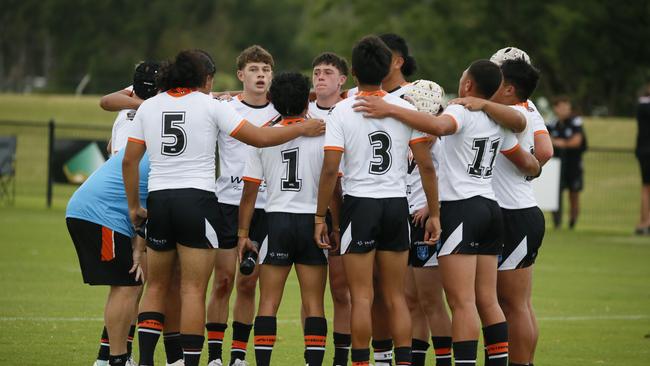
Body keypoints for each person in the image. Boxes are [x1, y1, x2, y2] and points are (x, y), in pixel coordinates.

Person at [122, 49, 324, 366]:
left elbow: (129, 160)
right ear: (205, 78)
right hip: (199, 201)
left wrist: (135, 206)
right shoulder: (212, 105)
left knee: (157, 285)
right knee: (193, 289)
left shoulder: (150, 106)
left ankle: (147, 360)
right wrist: (301, 128)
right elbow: (258, 137)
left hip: (160, 200)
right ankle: (194, 361)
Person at [353, 59, 541, 366]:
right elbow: (526, 148)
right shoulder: (496, 118)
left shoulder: (461, 109)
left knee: (462, 302)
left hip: (462, 209)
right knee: (487, 300)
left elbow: (441, 126)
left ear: (468, 85)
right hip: (491, 209)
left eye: (462, 76)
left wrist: (392, 109)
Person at [314, 35, 441, 366]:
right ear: (387, 67)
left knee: (362, 296)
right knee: (396, 296)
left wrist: (319, 218)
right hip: (396, 205)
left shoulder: (342, 110)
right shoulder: (406, 108)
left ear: (352, 71)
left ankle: (361, 362)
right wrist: (437, 213)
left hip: (361, 204)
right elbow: (426, 165)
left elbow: (330, 171)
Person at [237, 71, 331, 366]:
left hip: (276, 222)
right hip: (311, 222)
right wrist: (334, 224)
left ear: (272, 100)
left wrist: (242, 234)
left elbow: (249, 194)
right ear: (308, 99)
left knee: (268, 302)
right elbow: (334, 183)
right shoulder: (322, 131)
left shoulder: (262, 134)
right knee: (314, 303)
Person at [70, 62, 160, 366]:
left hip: (117, 208)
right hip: (105, 210)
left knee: (132, 283)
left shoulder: (147, 113)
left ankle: (116, 355)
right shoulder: (152, 119)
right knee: (128, 285)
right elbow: (107, 102)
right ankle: (111, 358)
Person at [206, 45, 280, 366]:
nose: (260, 75)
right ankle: (214, 357)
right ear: (241, 74)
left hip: (266, 207)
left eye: (265, 69)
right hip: (227, 204)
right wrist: (228, 94)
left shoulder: (282, 109)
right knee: (222, 282)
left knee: (248, 283)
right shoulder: (224, 108)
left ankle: (238, 356)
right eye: (253, 69)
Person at [490, 58, 553, 366]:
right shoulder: (522, 109)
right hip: (517, 212)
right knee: (518, 304)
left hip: (515, 214)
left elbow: (543, 154)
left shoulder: (511, 113)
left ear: (510, 88)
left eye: (496, 80)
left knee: (513, 304)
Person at [66, 150, 148, 366]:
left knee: (131, 284)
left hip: (94, 213)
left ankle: (110, 359)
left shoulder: (150, 143)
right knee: (126, 286)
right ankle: (117, 359)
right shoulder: (162, 153)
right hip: (101, 215)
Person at [401, 80, 453, 366]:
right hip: (405, 218)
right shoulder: (410, 132)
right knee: (411, 298)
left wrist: (432, 206)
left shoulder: (441, 138)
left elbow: (450, 178)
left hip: (426, 221)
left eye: (411, 103)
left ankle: (445, 360)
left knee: (431, 300)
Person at [308, 51, 352, 366]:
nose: (320, 77)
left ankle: (341, 357)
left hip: (343, 205)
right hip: (305, 208)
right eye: (317, 72)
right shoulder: (302, 110)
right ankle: (315, 357)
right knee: (311, 291)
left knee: (340, 288)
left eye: (327, 72)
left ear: (342, 80)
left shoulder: (352, 109)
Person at [547, 96, 586, 229]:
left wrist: (559, 142)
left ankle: (572, 222)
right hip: (556, 165)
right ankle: (557, 222)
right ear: (556, 108)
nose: (564, 110)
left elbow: (577, 141)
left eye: (567, 107)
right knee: (554, 193)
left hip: (573, 164)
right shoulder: (551, 124)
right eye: (561, 107)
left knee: (574, 193)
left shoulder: (575, 123)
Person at [635, 84, 650, 235]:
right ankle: (645, 222)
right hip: (647, 151)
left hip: (643, 150)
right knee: (647, 187)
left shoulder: (642, 104)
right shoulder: (644, 104)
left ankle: (645, 221)